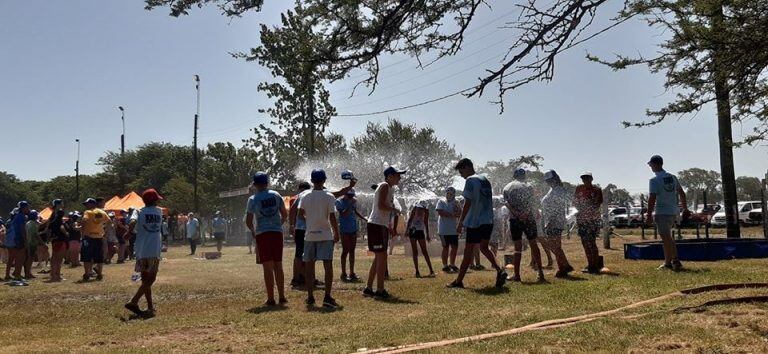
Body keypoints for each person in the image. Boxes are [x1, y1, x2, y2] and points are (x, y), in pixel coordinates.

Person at [447, 159, 507, 289]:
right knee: (484, 248)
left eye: (461, 171)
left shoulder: (470, 180)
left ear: (467, 167)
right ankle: (500, 270)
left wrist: (461, 222)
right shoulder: (485, 179)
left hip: (475, 221)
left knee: (468, 253)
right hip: (488, 220)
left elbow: (468, 203)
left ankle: (458, 281)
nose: (461, 175)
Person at [299, 169, 341, 308]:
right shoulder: (329, 196)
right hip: (325, 234)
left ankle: (310, 297)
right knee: (327, 266)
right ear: (324, 180)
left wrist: (310, 221)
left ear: (311, 181)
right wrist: (336, 232)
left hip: (310, 235)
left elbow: (300, 214)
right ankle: (327, 297)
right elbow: (332, 217)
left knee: (310, 267)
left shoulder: (305, 196)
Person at [245, 172, 288, 306]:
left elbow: (248, 220)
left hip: (262, 234)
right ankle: (282, 296)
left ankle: (271, 298)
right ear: (267, 182)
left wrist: (253, 231)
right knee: (278, 265)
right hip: (276, 233)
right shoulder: (276, 195)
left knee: (267, 267)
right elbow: (284, 214)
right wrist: (277, 225)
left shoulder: (253, 199)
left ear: (255, 184)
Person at [364, 166, 405, 299]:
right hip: (376, 224)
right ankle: (380, 290)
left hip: (380, 225)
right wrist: (394, 210)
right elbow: (381, 205)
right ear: (389, 176)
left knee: (379, 257)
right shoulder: (384, 186)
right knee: (382, 257)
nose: (399, 178)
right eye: (397, 175)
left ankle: (369, 288)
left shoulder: (389, 188)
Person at [125, 189, 165, 318]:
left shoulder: (138, 211)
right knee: (150, 280)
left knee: (145, 280)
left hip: (141, 250)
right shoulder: (159, 211)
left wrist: (129, 232)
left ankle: (150, 307)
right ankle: (134, 301)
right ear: (154, 200)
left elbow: (131, 222)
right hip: (154, 249)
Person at [502, 168, 545, 283]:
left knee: (517, 247)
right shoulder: (529, 186)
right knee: (533, 244)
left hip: (515, 219)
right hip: (528, 218)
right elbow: (532, 202)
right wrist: (525, 213)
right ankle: (540, 273)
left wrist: (516, 213)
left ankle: (517, 275)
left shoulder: (507, 187)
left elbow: (506, 202)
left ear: (514, 176)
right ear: (524, 176)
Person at [646, 155, 688, 271]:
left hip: (662, 212)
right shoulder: (673, 177)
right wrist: (685, 208)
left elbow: (652, 198)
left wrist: (649, 215)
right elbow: (682, 193)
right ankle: (669, 262)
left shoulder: (654, 180)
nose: (651, 167)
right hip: (673, 211)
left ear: (656, 164)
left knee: (666, 238)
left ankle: (674, 261)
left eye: (651, 165)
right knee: (667, 237)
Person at [540, 170, 575, 278]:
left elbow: (556, 207)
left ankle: (563, 267)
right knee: (555, 246)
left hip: (554, 221)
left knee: (554, 246)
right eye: (547, 181)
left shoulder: (558, 190)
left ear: (554, 179)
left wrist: (550, 221)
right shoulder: (554, 189)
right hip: (553, 220)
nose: (548, 182)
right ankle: (565, 265)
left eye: (549, 180)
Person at [574, 171, 604, 274]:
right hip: (582, 220)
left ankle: (594, 264)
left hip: (592, 220)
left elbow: (596, 204)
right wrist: (578, 207)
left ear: (591, 179)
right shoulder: (579, 189)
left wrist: (585, 205)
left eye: (587, 178)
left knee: (591, 242)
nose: (585, 180)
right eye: (583, 178)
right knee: (584, 242)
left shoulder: (596, 190)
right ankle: (590, 263)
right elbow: (575, 202)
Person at [336, 188, 367, 282]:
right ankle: (343, 273)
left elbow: (355, 211)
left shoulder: (353, 201)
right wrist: (350, 203)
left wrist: (364, 219)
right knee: (345, 250)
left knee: (352, 250)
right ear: (345, 194)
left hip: (353, 228)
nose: (351, 197)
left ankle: (352, 272)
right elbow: (343, 214)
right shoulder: (339, 202)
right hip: (344, 229)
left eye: (352, 196)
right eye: (349, 196)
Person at [80, 198, 110, 281]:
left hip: (88, 237)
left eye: (87, 204)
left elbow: (84, 221)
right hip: (99, 237)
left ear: (93, 204)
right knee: (99, 257)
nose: (86, 206)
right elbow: (109, 221)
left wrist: (82, 233)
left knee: (87, 257)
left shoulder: (88, 212)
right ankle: (99, 274)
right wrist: (105, 232)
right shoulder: (102, 212)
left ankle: (87, 274)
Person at [288, 181, 312, 288]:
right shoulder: (305, 195)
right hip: (305, 229)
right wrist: (292, 225)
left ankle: (300, 277)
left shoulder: (300, 195)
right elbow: (293, 209)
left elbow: (292, 210)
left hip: (300, 228)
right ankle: (300, 278)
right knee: (305, 254)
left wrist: (291, 225)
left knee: (300, 254)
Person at [406, 201, 435, 278]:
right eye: (419, 208)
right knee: (415, 251)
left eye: (421, 208)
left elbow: (426, 222)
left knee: (424, 251)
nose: (420, 210)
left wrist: (427, 234)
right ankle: (417, 271)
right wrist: (407, 230)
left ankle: (431, 270)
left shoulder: (426, 211)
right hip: (413, 231)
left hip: (420, 231)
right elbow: (410, 219)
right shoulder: (414, 209)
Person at [435, 187, 460, 273]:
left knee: (454, 247)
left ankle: (452, 264)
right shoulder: (441, 201)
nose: (449, 195)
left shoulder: (456, 202)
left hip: (453, 229)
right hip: (443, 229)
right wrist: (452, 215)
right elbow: (440, 212)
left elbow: (459, 213)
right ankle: (445, 265)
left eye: (451, 193)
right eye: (447, 193)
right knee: (445, 247)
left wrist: (456, 213)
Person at [5, 203, 31, 280]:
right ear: (24, 208)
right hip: (17, 239)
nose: (28, 209)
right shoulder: (21, 216)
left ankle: (8, 275)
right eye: (27, 207)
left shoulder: (12, 219)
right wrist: (25, 239)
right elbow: (22, 229)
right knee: (20, 258)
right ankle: (17, 275)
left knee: (11, 258)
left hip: (10, 240)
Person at [48, 209, 69, 282]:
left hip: (54, 241)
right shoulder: (61, 222)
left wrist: (51, 238)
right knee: (59, 260)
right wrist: (66, 233)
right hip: (61, 241)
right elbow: (62, 228)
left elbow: (49, 231)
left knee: (54, 258)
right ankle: (57, 275)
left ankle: (53, 274)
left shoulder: (52, 222)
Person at [24, 210, 42, 279]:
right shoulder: (33, 224)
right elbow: (36, 235)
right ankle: (28, 274)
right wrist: (42, 243)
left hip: (28, 242)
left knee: (28, 259)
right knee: (30, 259)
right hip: (32, 243)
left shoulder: (28, 223)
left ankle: (28, 273)